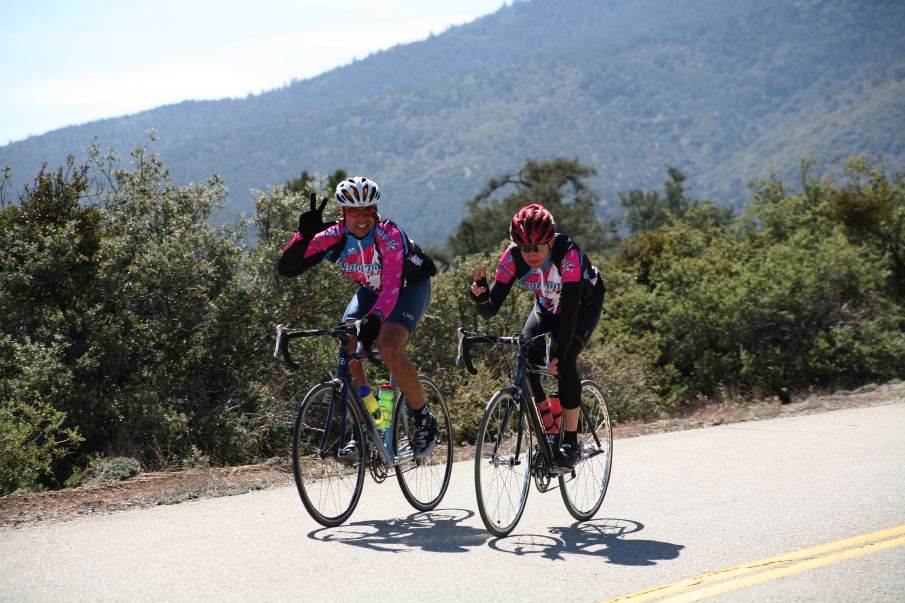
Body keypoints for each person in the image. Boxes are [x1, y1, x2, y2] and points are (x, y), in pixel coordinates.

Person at [277, 176, 439, 457]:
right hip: (369, 289)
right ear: (343, 213)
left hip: (407, 288)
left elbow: (390, 288)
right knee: (347, 343)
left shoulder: (389, 236)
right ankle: (365, 423)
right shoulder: (332, 237)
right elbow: (288, 268)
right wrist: (302, 236)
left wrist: (375, 320)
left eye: (368, 211)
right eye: (354, 212)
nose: (362, 218)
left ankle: (423, 417)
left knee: (388, 347)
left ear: (375, 211)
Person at [468, 203, 605, 468]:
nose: (530, 253)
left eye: (537, 247)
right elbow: (490, 310)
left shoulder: (568, 255)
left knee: (563, 362)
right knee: (527, 357)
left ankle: (570, 440)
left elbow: (569, 315)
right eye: (524, 247)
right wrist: (482, 297)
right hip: (546, 308)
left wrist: (559, 352)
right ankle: (549, 427)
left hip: (581, 308)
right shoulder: (512, 258)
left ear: (550, 241)